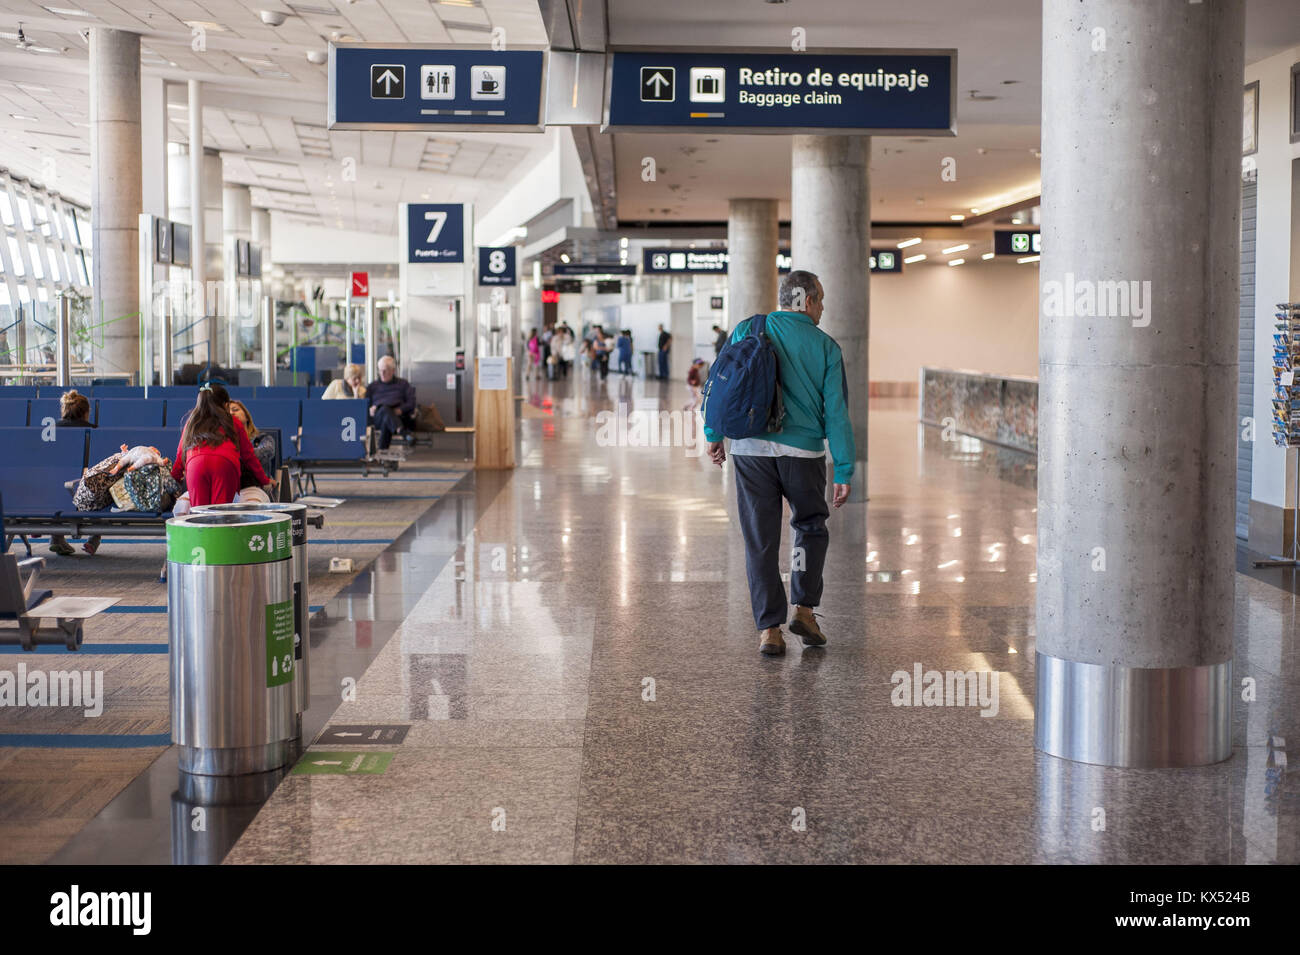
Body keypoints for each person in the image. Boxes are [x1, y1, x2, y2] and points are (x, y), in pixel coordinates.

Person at [705, 269, 855, 657]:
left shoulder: (746, 329)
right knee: (809, 527)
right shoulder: (826, 347)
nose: (822, 309)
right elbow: (837, 413)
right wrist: (844, 467)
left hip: (750, 451)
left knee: (760, 538)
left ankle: (769, 630)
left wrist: (713, 434)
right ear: (805, 300)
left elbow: (720, 384)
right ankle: (803, 607)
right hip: (803, 454)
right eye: (819, 300)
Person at [171, 383, 271, 509]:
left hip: (195, 464)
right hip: (224, 463)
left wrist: (174, 478)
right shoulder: (233, 422)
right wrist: (264, 480)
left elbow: (181, 454)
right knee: (220, 515)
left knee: (198, 514)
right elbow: (248, 456)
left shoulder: (192, 422)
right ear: (225, 405)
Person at [50, 390, 101, 557]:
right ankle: (93, 539)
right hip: (85, 491)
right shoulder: (94, 431)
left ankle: (56, 537)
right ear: (86, 412)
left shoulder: (50, 431)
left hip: (53, 491)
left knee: (58, 489)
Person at [227, 400, 277, 504]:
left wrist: (232, 454)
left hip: (255, 487)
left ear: (246, 417)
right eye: (227, 412)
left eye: (235, 410)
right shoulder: (221, 442)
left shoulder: (263, 438)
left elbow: (266, 452)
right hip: (228, 490)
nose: (231, 413)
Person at [367, 355, 418, 449]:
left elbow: (411, 403)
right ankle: (403, 432)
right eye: (380, 370)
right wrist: (370, 410)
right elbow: (366, 406)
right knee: (384, 410)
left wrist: (400, 410)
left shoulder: (403, 384)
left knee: (386, 418)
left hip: (399, 416)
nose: (382, 373)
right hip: (378, 417)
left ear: (393, 370)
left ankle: (383, 455)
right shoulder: (372, 387)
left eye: (385, 370)